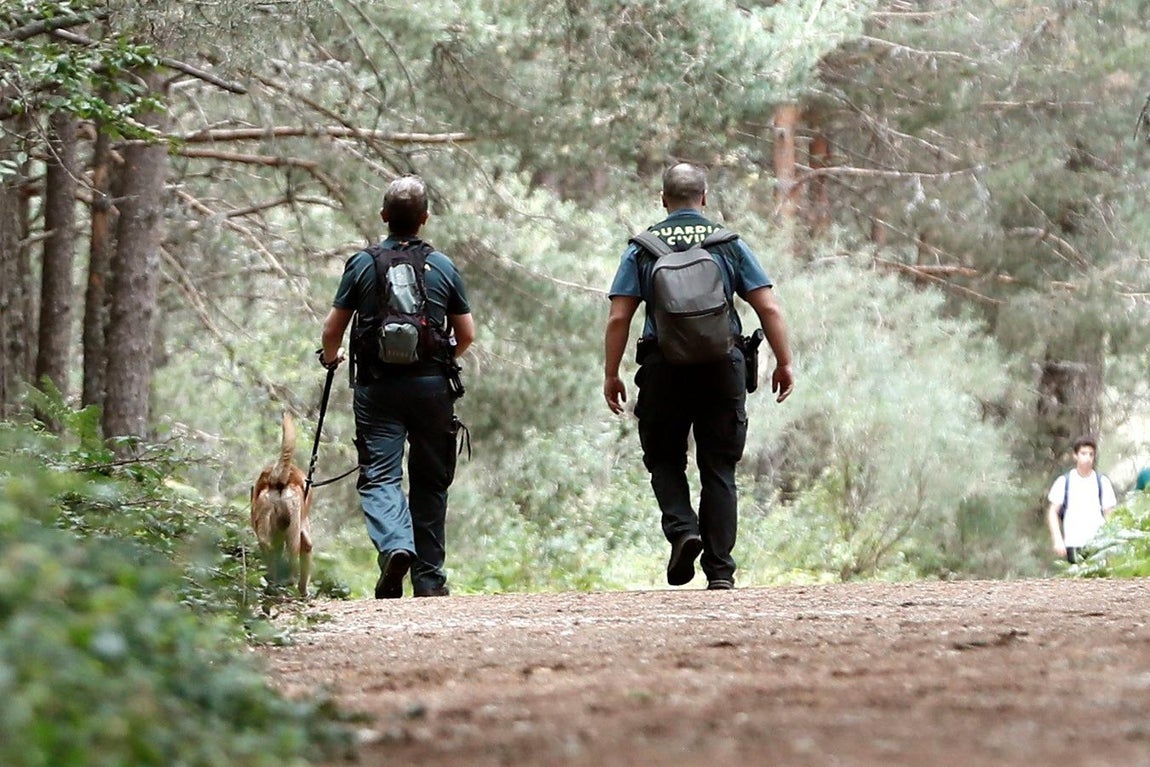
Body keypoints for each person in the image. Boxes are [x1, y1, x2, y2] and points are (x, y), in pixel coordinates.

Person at [603, 162, 794, 590]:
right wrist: (783, 361)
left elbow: (619, 317)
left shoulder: (642, 247)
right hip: (721, 366)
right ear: (704, 198)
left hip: (663, 367)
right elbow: (768, 308)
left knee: (664, 458)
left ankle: (683, 530)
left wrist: (611, 373)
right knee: (719, 468)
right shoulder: (726, 243)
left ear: (663, 199)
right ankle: (720, 573)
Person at [319, 174, 475, 598]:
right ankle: (429, 579)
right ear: (424, 219)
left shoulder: (362, 264)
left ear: (384, 216)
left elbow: (333, 329)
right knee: (430, 481)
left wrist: (331, 357)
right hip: (432, 390)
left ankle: (395, 547)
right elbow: (467, 333)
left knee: (381, 477)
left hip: (378, 389)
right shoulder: (441, 266)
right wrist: (443, 360)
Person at [1046, 435, 1116, 564]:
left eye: (1091, 454)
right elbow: (1052, 512)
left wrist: (1111, 542)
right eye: (1083, 454)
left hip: (1098, 545)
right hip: (1073, 543)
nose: (1088, 458)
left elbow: (1109, 514)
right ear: (1075, 456)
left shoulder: (1102, 482)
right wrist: (1057, 539)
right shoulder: (1064, 482)